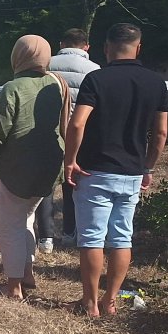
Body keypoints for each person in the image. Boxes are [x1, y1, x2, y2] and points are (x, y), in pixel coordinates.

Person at [63, 23, 168, 317]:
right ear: (139, 47)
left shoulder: (96, 79)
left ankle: (90, 302)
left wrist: (70, 159)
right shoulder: (155, 83)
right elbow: (160, 134)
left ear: (107, 48)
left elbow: (77, 123)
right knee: (122, 237)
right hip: (133, 171)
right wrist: (148, 166)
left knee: (92, 238)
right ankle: (110, 300)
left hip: (95, 170)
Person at [0, 35, 69, 299]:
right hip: (48, 169)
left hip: (18, 168)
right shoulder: (56, 84)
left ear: (18, 55)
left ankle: (12, 287)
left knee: (9, 226)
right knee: (27, 219)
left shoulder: (13, 88)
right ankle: (27, 273)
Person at [38, 28, 100, 252]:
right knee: (73, 185)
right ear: (87, 47)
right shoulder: (95, 70)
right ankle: (70, 233)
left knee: (46, 185)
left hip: (48, 133)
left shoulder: (46, 65)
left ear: (61, 43)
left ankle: (45, 237)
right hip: (81, 134)